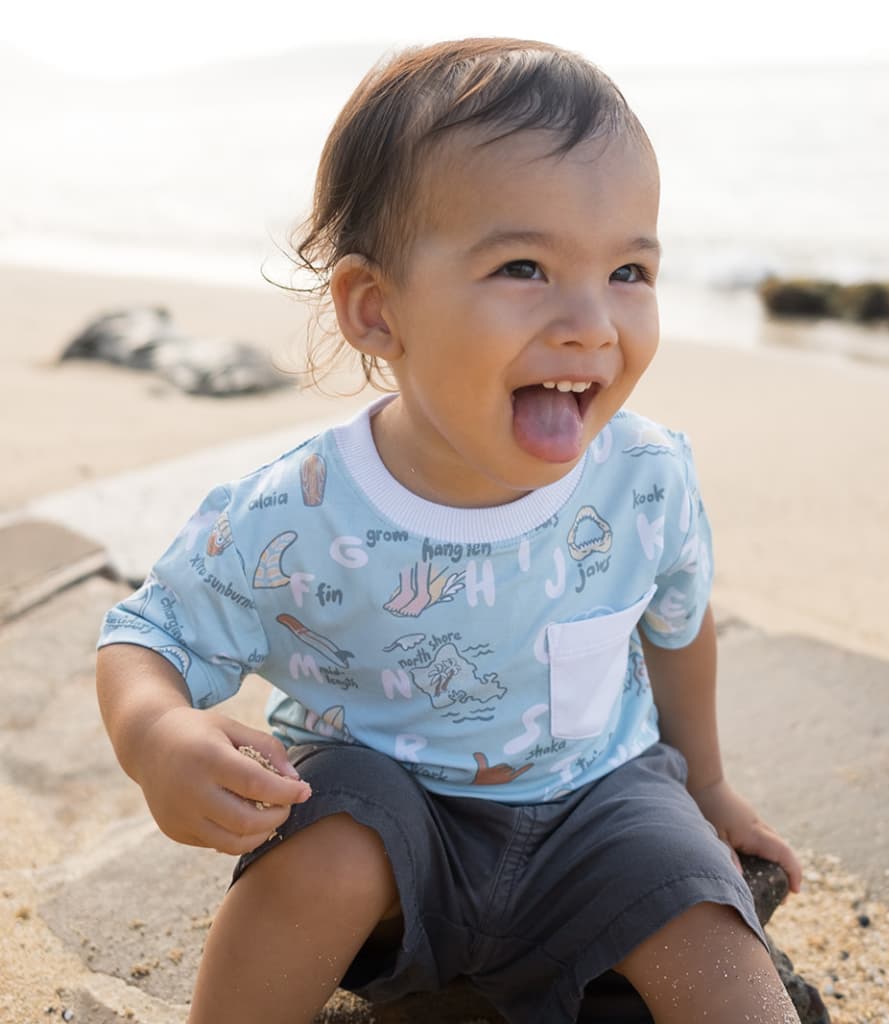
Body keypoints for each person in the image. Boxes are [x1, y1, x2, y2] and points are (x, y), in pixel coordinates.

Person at [96, 38, 803, 1024]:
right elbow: (146, 635)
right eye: (524, 266)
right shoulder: (302, 512)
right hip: (390, 828)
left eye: (630, 270)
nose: (592, 322)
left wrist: (712, 785)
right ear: (376, 309)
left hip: (599, 795)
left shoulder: (644, 476)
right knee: (329, 845)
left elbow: (677, 624)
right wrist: (158, 737)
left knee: (707, 924)